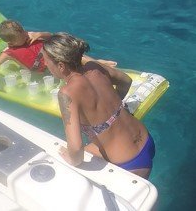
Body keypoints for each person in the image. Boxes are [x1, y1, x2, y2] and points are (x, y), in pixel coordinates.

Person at [43, 32, 156, 179]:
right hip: (147, 141)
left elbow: (76, 149)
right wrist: (113, 108)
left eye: (45, 60)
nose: (44, 64)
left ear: (60, 65)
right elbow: (126, 81)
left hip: (129, 165)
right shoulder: (96, 67)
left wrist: (72, 159)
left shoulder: (67, 93)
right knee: (90, 149)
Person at [0, 20, 115, 95]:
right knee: (73, 69)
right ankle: (94, 81)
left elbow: (50, 36)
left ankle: (99, 64)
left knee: (72, 54)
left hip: (55, 59)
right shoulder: (8, 53)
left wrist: (40, 34)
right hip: (46, 71)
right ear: (11, 43)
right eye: (22, 38)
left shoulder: (30, 35)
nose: (26, 36)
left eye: (24, 33)